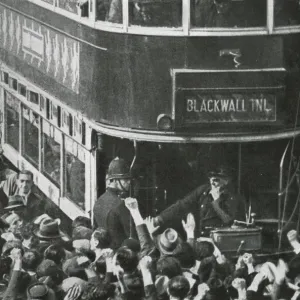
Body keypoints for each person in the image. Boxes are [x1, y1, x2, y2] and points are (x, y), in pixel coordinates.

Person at [153, 166, 246, 237]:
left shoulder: (232, 198)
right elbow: (182, 205)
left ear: (226, 181)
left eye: (216, 180)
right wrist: (160, 219)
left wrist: (217, 202)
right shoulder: (203, 191)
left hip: (219, 241)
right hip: (200, 238)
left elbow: (229, 221)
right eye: (210, 179)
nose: (212, 183)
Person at [93, 157, 132, 229]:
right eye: (125, 179)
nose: (129, 182)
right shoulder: (120, 205)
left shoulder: (99, 201)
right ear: (115, 180)